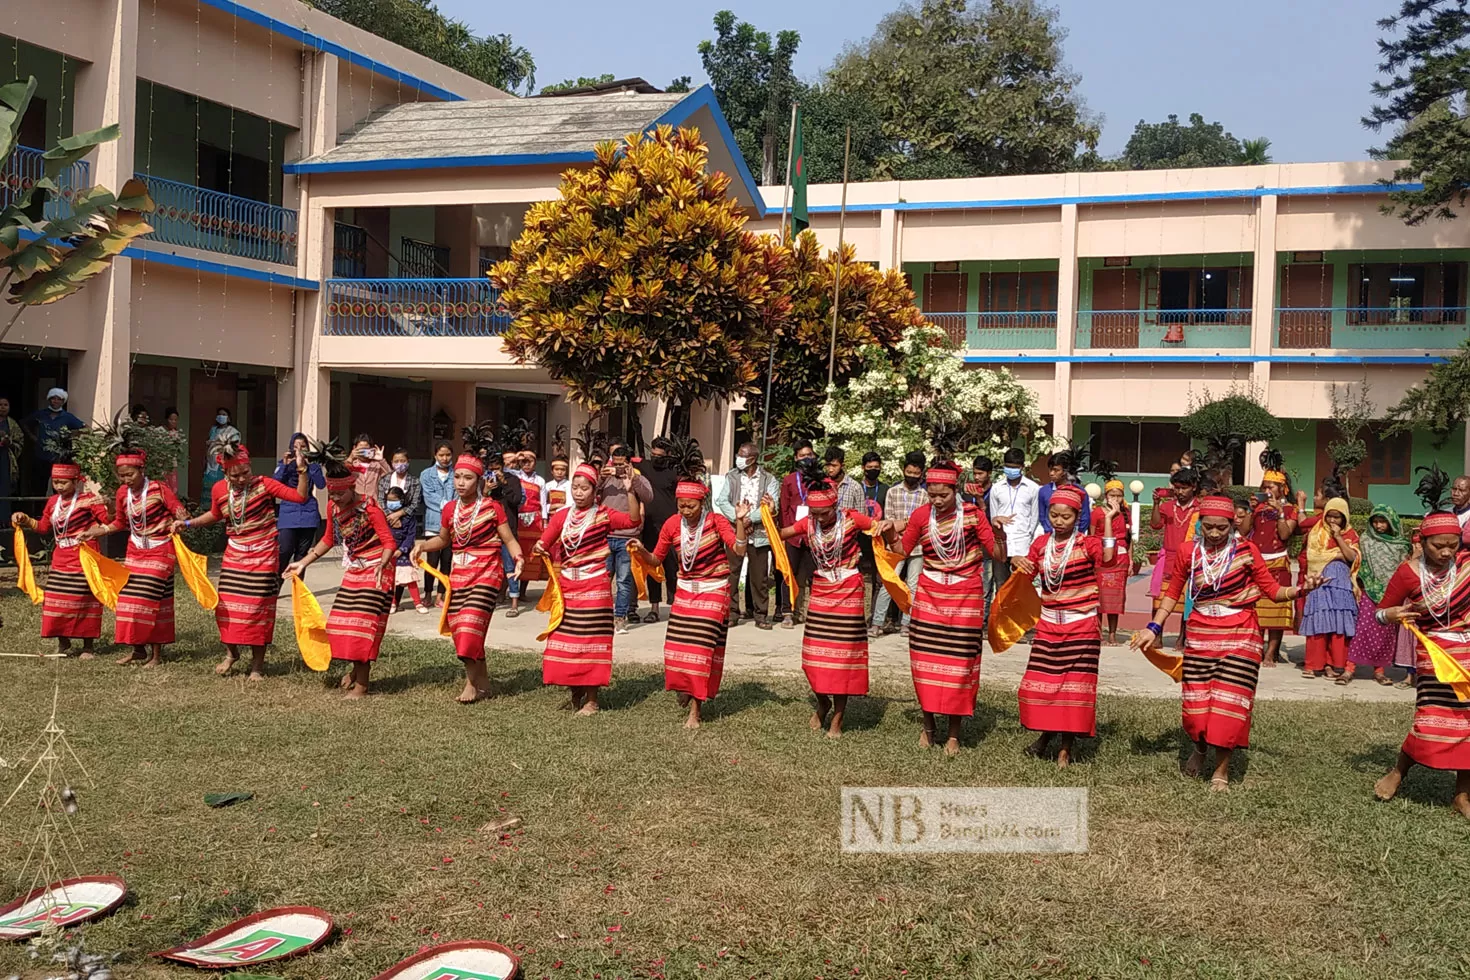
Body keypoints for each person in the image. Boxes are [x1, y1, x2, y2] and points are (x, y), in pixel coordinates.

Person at [1133, 496, 1320, 790]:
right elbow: (1173, 593)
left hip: (1240, 633)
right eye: (1209, 527)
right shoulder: (1188, 552)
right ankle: (1200, 748)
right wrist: (1153, 627)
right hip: (1200, 633)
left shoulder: (1246, 550)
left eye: (1222, 527)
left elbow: (1271, 590)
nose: (1216, 533)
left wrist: (1301, 590)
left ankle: (1222, 769)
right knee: (1196, 708)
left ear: (1233, 524)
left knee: (1228, 705)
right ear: (1200, 525)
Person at [173, 435, 311, 680]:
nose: (240, 479)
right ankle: (231, 653)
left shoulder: (265, 484)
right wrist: (188, 523)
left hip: (264, 555)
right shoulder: (219, 489)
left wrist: (301, 470)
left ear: (251, 468)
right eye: (234, 475)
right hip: (235, 554)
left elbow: (300, 497)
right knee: (226, 607)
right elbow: (215, 515)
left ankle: (257, 665)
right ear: (225, 473)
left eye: (245, 473)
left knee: (258, 609)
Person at [630, 461, 748, 730]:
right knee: (676, 650)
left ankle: (696, 709)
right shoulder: (673, 524)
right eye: (681, 505)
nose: (685, 510)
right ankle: (686, 687)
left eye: (690, 506)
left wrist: (740, 522)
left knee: (700, 651)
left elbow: (738, 550)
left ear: (702, 502)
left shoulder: (716, 521)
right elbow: (656, 559)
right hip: (684, 594)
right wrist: (639, 550)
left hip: (713, 592)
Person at [900, 461, 1006, 756]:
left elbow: (997, 554)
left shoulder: (973, 516)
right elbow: (901, 550)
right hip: (930, 595)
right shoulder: (921, 516)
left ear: (955, 490)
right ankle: (928, 726)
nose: (935, 501)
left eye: (942, 496)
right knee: (926, 661)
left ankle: (954, 735)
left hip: (966, 596)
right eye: (931, 495)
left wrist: (999, 534)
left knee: (959, 666)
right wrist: (886, 532)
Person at [777, 464, 890, 738]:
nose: (819, 518)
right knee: (814, 655)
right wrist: (760, 519)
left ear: (835, 506)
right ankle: (822, 702)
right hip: (822, 591)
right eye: (814, 513)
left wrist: (888, 526)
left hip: (849, 590)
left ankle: (838, 718)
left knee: (843, 658)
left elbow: (880, 528)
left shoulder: (852, 519)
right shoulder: (809, 523)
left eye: (824, 513)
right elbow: (782, 534)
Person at [412, 434, 523, 703]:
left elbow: (508, 539)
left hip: (487, 573)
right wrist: (423, 547)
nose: (461, 482)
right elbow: (444, 539)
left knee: (471, 624)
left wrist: (518, 559)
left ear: (479, 480)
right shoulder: (450, 508)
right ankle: (482, 683)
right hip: (460, 576)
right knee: (462, 629)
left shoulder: (492, 507)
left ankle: (471, 685)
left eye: (468, 478)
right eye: (458, 477)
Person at [1013, 485, 1119, 766]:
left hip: (1081, 626)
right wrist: (1018, 562)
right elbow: (1028, 573)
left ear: (1078, 517)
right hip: (1049, 625)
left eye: (1066, 517)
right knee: (1043, 685)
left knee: (1073, 688)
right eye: (1054, 515)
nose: (1059, 521)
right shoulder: (1041, 544)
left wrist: (1108, 520)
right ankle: (1046, 736)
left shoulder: (1087, 543)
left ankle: (1066, 748)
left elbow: (1109, 559)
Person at [282, 443, 397, 700]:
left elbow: (389, 542)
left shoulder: (370, 508)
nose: (334, 499)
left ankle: (362, 686)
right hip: (355, 570)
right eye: (331, 495)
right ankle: (356, 673)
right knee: (338, 625)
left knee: (361, 627)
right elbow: (328, 539)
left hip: (378, 570)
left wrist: (381, 563)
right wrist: (303, 562)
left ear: (352, 487)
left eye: (339, 494)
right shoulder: (333, 508)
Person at [1374, 511, 1470, 817]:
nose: (1446, 552)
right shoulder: (1408, 574)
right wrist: (1392, 615)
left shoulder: (1467, 566)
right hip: (1434, 652)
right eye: (1438, 546)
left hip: (1469, 649)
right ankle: (1399, 771)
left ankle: (1462, 794)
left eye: (1453, 546)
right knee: (1431, 717)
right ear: (1422, 541)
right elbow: (1381, 611)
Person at [534, 461, 643, 715]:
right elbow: (545, 540)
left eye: (584, 488)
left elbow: (632, 521)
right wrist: (539, 547)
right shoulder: (562, 516)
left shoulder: (604, 514)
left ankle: (592, 700)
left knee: (591, 641)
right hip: (568, 589)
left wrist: (630, 491)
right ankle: (575, 693)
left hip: (595, 587)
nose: (579, 492)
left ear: (596, 492)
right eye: (575, 487)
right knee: (567, 640)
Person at [77, 429, 189, 668]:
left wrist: (180, 520)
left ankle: (156, 655)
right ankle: (138, 650)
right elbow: (119, 522)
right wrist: (94, 531)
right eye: (122, 475)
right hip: (136, 550)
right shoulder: (121, 493)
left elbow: (180, 512)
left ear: (142, 470)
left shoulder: (159, 489)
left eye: (130, 474)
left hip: (161, 549)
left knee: (148, 600)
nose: (126, 479)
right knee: (127, 599)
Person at [10, 446, 109, 658]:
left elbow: (108, 523)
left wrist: (106, 507)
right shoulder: (54, 502)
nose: (59, 486)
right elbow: (44, 528)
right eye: (55, 482)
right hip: (61, 559)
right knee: (55, 600)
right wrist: (25, 519)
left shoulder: (89, 500)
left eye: (63, 482)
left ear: (76, 482)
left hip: (83, 558)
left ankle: (88, 646)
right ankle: (63, 642)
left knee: (84, 601)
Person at [1347, 505, 1412, 686]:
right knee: (1362, 629)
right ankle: (1349, 668)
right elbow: (1361, 562)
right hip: (1370, 589)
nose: (1378, 526)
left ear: (1391, 522)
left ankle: (1379, 671)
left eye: (1382, 521)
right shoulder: (1366, 540)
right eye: (1375, 521)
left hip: (1391, 593)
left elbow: (1404, 568)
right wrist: (1362, 583)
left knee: (1385, 633)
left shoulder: (1401, 545)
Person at [717, 442, 778, 629]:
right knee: (732, 575)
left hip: (759, 535)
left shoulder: (769, 479)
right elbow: (722, 500)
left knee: (759, 577)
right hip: (735, 533)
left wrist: (749, 519)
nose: (738, 458)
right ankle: (732, 613)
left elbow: (771, 504)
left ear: (752, 459)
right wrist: (739, 521)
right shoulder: (732, 476)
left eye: (741, 455)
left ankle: (760, 615)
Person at [1300, 496, 1361, 681]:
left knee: (1338, 623)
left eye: (1337, 517)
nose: (1333, 521)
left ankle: (1333, 664)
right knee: (1319, 620)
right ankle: (1314, 664)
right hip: (1319, 580)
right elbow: (1313, 555)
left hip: (1341, 584)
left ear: (1345, 517)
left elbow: (1351, 557)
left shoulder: (1350, 534)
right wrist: (1336, 555)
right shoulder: (1316, 532)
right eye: (1330, 516)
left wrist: (1338, 537)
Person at [871, 450, 930, 638]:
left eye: (916, 474)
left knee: (913, 585)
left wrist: (905, 524)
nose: (912, 476)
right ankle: (877, 623)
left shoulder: (925, 495)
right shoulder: (892, 492)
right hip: (894, 545)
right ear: (903, 470)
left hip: (918, 547)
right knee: (890, 584)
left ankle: (907, 623)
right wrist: (908, 524)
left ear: (922, 473)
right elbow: (889, 521)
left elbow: (924, 523)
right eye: (909, 473)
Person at [597, 442, 651, 633]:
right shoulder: (606, 478)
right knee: (602, 579)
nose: (617, 467)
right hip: (604, 534)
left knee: (623, 580)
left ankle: (620, 617)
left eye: (621, 464)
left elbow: (649, 497)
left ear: (629, 463)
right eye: (615, 463)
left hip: (627, 538)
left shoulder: (638, 478)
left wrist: (632, 480)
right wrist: (600, 478)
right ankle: (601, 616)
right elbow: (591, 493)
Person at [1251, 453, 1299, 667]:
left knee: (1277, 610)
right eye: (1264, 486)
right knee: (1257, 609)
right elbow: (1244, 531)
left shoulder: (1290, 510)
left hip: (1279, 563)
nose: (1267, 490)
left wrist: (1280, 513)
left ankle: (1271, 653)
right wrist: (1251, 511)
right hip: (1258, 562)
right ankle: (1258, 649)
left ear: (1282, 489)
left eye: (1272, 486)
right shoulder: (1258, 509)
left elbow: (1285, 535)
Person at [1149, 467, 1202, 646]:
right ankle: (1157, 635)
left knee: (1188, 602)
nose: (1180, 492)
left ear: (1193, 486)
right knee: (1159, 601)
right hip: (1169, 559)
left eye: (1184, 488)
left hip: (1191, 560)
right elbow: (1155, 525)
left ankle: (1182, 638)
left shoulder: (1200, 508)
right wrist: (1156, 503)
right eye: (1177, 488)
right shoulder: (1167, 506)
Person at [637, 437, 682, 623]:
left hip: (671, 526)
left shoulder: (674, 471)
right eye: (653, 454)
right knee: (652, 567)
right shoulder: (644, 466)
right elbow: (621, 461)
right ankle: (654, 608)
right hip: (649, 526)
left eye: (659, 456)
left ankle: (675, 607)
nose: (655, 458)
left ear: (667, 455)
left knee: (672, 568)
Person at [988, 447, 1041, 595]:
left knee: (1021, 585)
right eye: (1008, 467)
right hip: (1001, 544)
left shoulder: (1033, 488)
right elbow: (993, 516)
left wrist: (1028, 540)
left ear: (1022, 467)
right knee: (1001, 586)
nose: (1010, 470)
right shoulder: (997, 488)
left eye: (1014, 468)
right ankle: (1001, 618)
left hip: (1022, 544)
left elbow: (1034, 518)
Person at [274, 432, 325, 578]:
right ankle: (276, 586)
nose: (299, 450)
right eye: (295, 446)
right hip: (288, 512)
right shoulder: (285, 464)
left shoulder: (313, 465)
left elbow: (321, 485)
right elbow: (275, 483)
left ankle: (298, 589)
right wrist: (284, 464)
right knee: (284, 551)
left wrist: (308, 465)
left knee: (301, 555)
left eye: (302, 446)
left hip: (308, 513)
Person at [1090, 470, 1131, 644]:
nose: (1115, 498)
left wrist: (1130, 561)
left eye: (1119, 495)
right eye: (1112, 495)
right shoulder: (1098, 513)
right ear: (1106, 496)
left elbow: (1130, 539)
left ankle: (1112, 634)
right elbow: (1091, 537)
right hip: (1101, 557)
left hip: (1120, 560)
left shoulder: (1125, 513)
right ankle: (1098, 632)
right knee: (1099, 596)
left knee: (1116, 597)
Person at [21, 388, 83, 499]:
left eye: (58, 399)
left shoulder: (67, 417)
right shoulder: (41, 414)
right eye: (53, 398)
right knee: (39, 485)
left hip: (58, 457)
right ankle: (39, 512)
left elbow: (85, 428)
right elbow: (24, 423)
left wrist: (71, 437)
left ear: (62, 401)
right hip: (41, 455)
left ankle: (58, 510)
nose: (55, 401)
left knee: (59, 485)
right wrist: (33, 437)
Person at [484, 451, 525, 617]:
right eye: (491, 469)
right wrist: (487, 488)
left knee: (510, 565)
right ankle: (494, 596)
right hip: (489, 530)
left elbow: (516, 500)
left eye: (497, 468)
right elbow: (479, 500)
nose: (494, 472)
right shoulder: (484, 481)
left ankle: (514, 601)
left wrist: (504, 483)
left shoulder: (513, 480)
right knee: (491, 567)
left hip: (509, 528)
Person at [419, 441, 456, 608]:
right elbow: (429, 498)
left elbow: (459, 495)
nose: (445, 458)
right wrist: (447, 506)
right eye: (441, 455)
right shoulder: (426, 474)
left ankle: (440, 595)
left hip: (452, 523)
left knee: (446, 560)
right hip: (433, 522)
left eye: (448, 455)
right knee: (432, 560)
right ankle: (427, 593)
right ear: (435, 455)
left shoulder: (456, 474)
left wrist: (452, 508)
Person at [384, 486, 426, 613]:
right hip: (389, 552)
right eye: (388, 500)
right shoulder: (384, 517)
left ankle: (418, 603)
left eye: (394, 500)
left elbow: (410, 535)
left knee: (409, 578)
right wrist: (390, 549)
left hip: (405, 553)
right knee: (392, 580)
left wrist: (402, 549)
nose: (391, 503)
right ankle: (393, 603)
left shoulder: (409, 517)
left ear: (401, 500)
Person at [515, 449, 549, 598]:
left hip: (534, 523)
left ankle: (522, 591)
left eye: (530, 461)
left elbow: (542, 503)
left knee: (530, 557)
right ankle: (510, 590)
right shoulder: (514, 476)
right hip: (517, 520)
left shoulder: (540, 481)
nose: (527, 464)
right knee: (515, 554)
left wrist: (544, 521)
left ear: (535, 463)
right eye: (524, 461)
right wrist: (517, 457)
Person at [1037, 451, 1092, 534]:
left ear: (1065, 471)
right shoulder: (1044, 491)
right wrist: (1049, 532)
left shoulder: (1079, 491)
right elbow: (1042, 516)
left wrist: (1078, 534)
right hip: (1051, 536)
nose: (1051, 473)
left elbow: (1085, 517)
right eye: (1050, 469)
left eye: (1056, 470)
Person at [200, 407, 241, 504]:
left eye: (224, 415)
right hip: (210, 464)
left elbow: (235, 447)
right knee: (209, 487)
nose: (221, 417)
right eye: (219, 414)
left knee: (222, 487)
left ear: (229, 418)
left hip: (223, 464)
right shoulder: (213, 430)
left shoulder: (232, 431)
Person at [376, 448, 423, 531]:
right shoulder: (384, 479)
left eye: (403, 461)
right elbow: (380, 500)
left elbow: (415, 504)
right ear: (392, 463)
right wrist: (391, 516)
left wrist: (398, 514)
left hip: (407, 521)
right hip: (387, 519)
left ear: (408, 461)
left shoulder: (415, 481)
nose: (399, 464)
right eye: (396, 461)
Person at [0, 396, 23, 537]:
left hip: (5, 461)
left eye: (5, 405)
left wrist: (9, 442)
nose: (2, 407)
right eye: (0, 404)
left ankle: (4, 520)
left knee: (4, 489)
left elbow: (19, 442)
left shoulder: (12, 424)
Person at [349, 434, 390, 500]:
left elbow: (390, 477)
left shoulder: (377, 465)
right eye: (361, 449)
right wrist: (350, 458)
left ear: (371, 449)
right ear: (354, 448)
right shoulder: (351, 465)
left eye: (365, 449)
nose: (363, 452)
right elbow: (341, 477)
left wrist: (381, 460)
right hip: (355, 504)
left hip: (373, 505)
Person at [161, 407, 183, 496]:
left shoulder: (176, 433)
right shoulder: (160, 431)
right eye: (171, 419)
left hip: (172, 464)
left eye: (175, 420)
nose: (173, 422)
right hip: (161, 464)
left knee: (172, 487)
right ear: (166, 419)